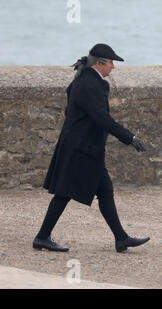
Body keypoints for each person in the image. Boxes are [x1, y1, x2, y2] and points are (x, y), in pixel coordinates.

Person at [33, 43, 150, 253]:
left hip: (83, 147)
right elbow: (101, 118)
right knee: (63, 193)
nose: (113, 67)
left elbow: (73, 111)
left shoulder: (85, 80)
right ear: (100, 62)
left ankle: (121, 238)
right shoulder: (90, 84)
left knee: (104, 190)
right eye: (111, 62)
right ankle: (42, 237)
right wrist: (129, 137)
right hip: (81, 149)